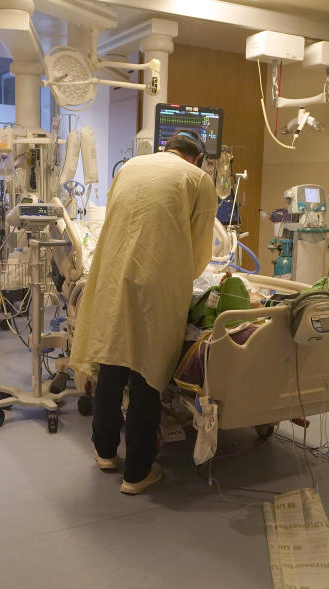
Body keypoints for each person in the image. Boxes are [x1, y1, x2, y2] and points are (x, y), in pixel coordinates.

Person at [69, 129, 218, 494]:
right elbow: (199, 252)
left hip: (111, 275)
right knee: (146, 375)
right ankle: (137, 474)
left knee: (112, 362)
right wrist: (192, 279)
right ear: (197, 158)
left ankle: (105, 452)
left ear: (169, 149)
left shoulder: (130, 167)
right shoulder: (198, 180)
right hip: (154, 282)